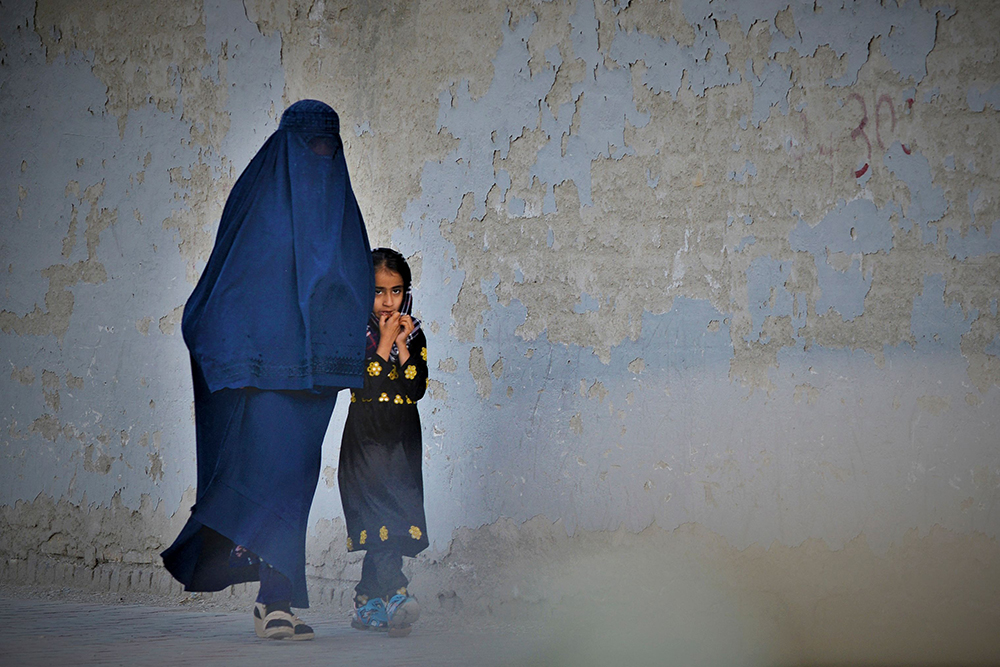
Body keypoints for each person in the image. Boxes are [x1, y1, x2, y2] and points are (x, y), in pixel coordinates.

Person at [161, 100, 373, 641]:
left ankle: (274, 601)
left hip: (316, 377)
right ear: (286, 146)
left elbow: (353, 285)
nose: (320, 157)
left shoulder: (342, 212)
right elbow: (225, 283)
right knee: (271, 479)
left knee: (296, 483)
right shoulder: (256, 200)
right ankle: (275, 601)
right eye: (310, 146)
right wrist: (232, 349)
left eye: (330, 146)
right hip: (264, 375)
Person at [339, 247, 429, 637]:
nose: (388, 301)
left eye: (395, 291)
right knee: (381, 519)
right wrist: (384, 342)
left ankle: (366, 602)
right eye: (378, 292)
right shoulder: (353, 331)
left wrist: (403, 343)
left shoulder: (415, 331)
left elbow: (416, 387)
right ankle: (397, 594)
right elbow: (367, 381)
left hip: (401, 441)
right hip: (366, 440)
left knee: (392, 520)